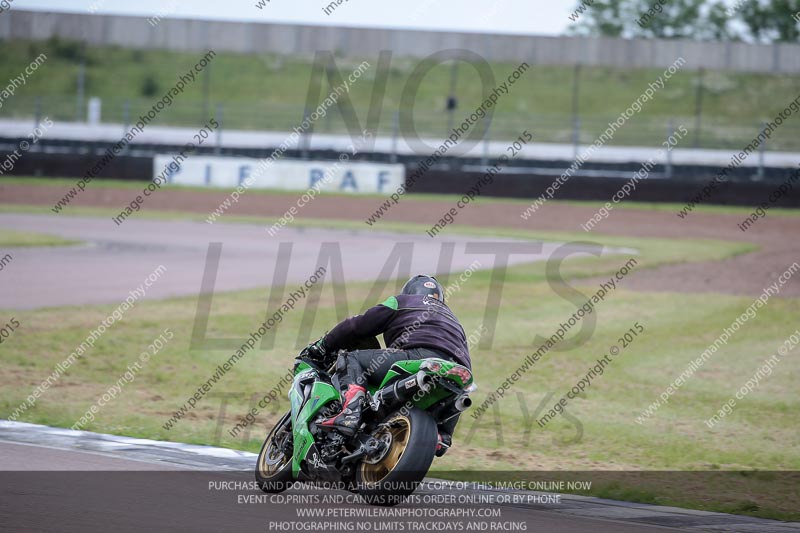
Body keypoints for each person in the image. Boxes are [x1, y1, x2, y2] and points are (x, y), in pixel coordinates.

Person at [305, 274, 471, 453]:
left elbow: (356, 325)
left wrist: (323, 345)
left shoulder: (402, 301)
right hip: (458, 371)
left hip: (419, 357)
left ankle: (350, 413)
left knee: (351, 358)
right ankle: (441, 437)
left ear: (408, 292)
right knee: (455, 396)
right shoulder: (453, 319)